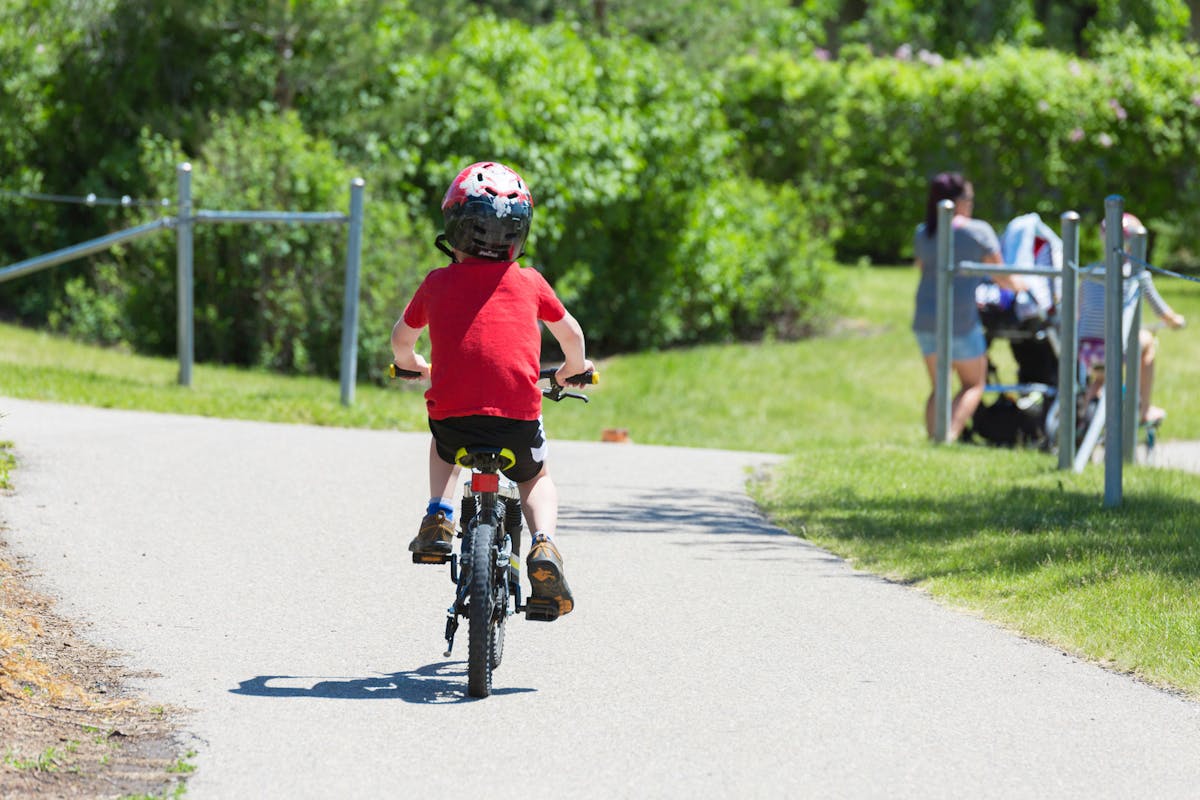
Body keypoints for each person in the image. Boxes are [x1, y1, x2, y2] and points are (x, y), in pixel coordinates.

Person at [390, 161, 594, 618]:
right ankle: (544, 545)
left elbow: (401, 341)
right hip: (517, 421)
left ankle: (439, 513)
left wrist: (412, 365)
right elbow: (573, 340)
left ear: (455, 225)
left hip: (454, 418)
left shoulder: (437, 282)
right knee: (535, 476)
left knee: (443, 445)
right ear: (518, 234)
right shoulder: (531, 282)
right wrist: (571, 371)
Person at [912, 172, 1026, 441]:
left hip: (925, 317)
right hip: (959, 319)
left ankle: (932, 440)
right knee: (974, 383)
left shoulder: (923, 232)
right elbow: (1002, 277)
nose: (972, 203)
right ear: (958, 200)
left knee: (939, 387)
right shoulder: (977, 231)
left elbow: (920, 266)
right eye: (969, 198)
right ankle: (948, 437)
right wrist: (1024, 286)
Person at [1077, 212, 1186, 425]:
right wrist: (1177, 321)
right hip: (1115, 348)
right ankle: (1144, 409)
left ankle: (1082, 419)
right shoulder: (1136, 275)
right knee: (1148, 344)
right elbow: (1162, 312)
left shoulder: (1090, 273)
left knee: (1101, 375)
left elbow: (1080, 309)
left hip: (1087, 349)